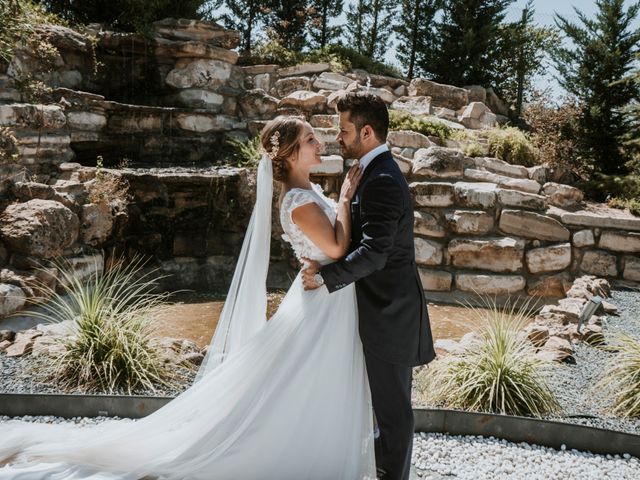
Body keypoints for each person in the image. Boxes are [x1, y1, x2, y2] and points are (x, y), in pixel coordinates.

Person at [0, 116, 376, 479]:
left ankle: (306, 449)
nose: (319, 143)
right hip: (321, 303)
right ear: (292, 153)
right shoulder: (298, 200)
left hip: (327, 296)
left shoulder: (308, 192)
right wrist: (344, 197)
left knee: (305, 381)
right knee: (301, 378)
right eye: (311, 139)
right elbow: (339, 249)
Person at [301, 93, 436, 480]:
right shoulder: (368, 172)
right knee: (379, 411)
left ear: (366, 131)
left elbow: (375, 253)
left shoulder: (383, 181)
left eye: (343, 130)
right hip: (372, 309)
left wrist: (326, 278)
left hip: (390, 313)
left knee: (393, 414)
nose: (337, 137)